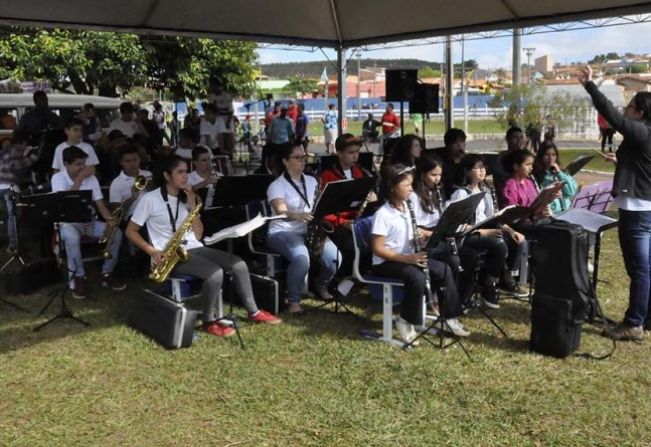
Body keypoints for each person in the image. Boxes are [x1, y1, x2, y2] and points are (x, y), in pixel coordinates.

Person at [126, 155, 281, 338]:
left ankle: (253, 311)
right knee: (214, 273)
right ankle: (209, 321)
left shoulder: (188, 197)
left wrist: (193, 208)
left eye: (186, 171)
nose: (186, 176)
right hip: (169, 254)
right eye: (180, 172)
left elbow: (198, 235)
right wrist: (152, 251)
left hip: (193, 246)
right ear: (167, 176)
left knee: (238, 264)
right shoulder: (150, 200)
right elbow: (131, 231)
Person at [579, 64, 651, 341]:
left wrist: (590, 86)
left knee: (639, 269)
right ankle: (644, 318)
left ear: (640, 113)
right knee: (647, 268)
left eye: (630, 106)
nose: (625, 109)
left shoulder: (641, 131)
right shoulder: (646, 135)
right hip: (647, 207)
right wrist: (621, 161)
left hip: (637, 210)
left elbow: (610, 114)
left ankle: (634, 323)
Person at [371, 163, 469, 344]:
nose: (410, 189)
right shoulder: (383, 214)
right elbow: (378, 249)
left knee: (444, 269)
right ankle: (405, 320)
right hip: (386, 262)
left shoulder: (407, 208)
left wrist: (422, 238)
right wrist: (407, 258)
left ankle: (449, 316)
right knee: (417, 277)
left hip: (408, 257)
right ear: (393, 187)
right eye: (407, 185)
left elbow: (410, 232)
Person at [266, 145, 340, 314]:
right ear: (285, 161)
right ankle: (293, 302)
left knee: (336, 260)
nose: (303, 161)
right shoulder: (277, 186)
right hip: (283, 231)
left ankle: (321, 285)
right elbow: (280, 211)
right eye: (297, 158)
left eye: (304, 157)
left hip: (309, 230)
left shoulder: (312, 181)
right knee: (301, 258)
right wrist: (296, 215)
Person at [451, 154, 528, 305]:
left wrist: (512, 231)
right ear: (467, 171)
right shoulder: (461, 193)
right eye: (477, 167)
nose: (482, 171)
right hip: (468, 236)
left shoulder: (485, 192)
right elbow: (457, 225)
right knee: (499, 244)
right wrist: (484, 232)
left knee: (517, 242)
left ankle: (504, 276)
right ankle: (489, 284)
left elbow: (494, 218)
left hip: (486, 232)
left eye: (483, 168)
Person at [51, 146, 126, 299]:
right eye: (78, 164)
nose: (83, 167)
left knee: (116, 233)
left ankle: (107, 272)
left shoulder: (91, 179)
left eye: (84, 163)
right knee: (72, 237)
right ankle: (79, 277)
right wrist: (80, 178)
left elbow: (100, 205)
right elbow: (65, 203)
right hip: (68, 223)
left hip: (89, 222)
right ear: (66, 164)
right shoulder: (57, 178)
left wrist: (111, 222)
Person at [319, 134, 376, 279]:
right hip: (335, 224)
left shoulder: (361, 172)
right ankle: (341, 279)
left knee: (374, 241)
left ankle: (361, 275)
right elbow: (323, 209)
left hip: (355, 222)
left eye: (357, 152)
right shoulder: (327, 176)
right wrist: (343, 223)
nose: (355, 156)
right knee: (350, 247)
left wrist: (372, 198)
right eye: (351, 152)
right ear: (339, 153)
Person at [0, 131, 38, 252]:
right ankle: (13, 246)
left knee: (9, 215)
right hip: (9, 187)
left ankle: (12, 242)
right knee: (14, 216)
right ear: (24, 141)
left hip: (1, 186)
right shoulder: (20, 149)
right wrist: (33, 156)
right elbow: (18, 165)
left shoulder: (5, 151)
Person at [108, 145, 152, 222]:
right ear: (121, 162)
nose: (132, 164)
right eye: (128, 161)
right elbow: (116, 213)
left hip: (154, 213)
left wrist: (151, 188)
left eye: (135, 160)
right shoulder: (116, 183)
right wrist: (132, 198)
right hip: (134, 218)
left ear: (139, 160)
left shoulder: (148, 174)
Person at [532, 141, 578, 214]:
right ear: (541, 156)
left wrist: (559, 173)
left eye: (553, 155)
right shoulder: (537, 174)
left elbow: (572, 192)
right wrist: (550, 195)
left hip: (565, 210)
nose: (550, 158)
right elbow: (536, 197)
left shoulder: (562, 172)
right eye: (547, 155)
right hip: (550, 213)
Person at [429, 128, 467, 199]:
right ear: (448, 145)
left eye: (461, 142)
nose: (459, 145)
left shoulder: (466, 160)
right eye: (455, 143)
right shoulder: (441, 162)